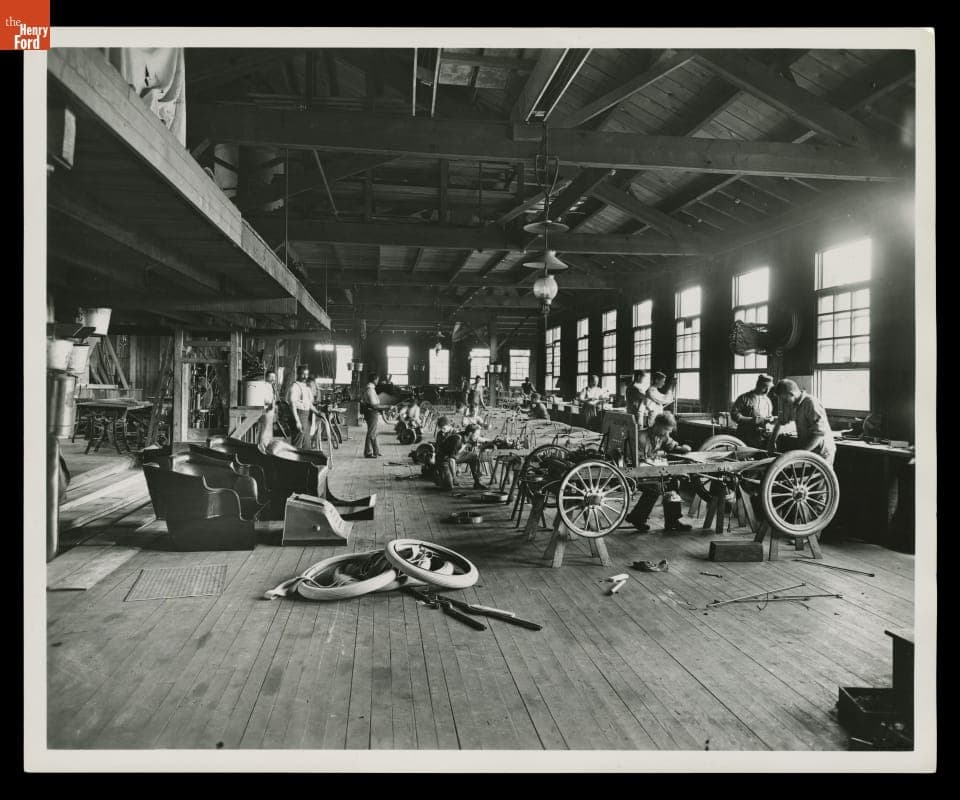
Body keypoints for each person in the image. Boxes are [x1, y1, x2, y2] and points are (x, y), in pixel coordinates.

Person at [624, 412, 694, 533]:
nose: (668, 433)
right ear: (657, 425)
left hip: (650, 470)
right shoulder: (640, 437)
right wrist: (654, 459)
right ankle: (638, 518)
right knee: (656, 488)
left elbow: (672, 446)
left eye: (669, 430)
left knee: (673, 483)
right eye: (666, 429)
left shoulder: (662, 436)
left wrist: (684, 448)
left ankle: (672, 521)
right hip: (635, 471)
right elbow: (635, 461)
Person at [767, 379, 836, 464]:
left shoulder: (811, 403)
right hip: (807, 449)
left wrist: (800, 454)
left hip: (821, 450)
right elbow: (780, 422)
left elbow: (819, 434)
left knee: (821, 476)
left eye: (785, 400)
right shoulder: (790, 403)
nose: (784, 402)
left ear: (792, 394)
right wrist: (772, 441)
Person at [730, 374, 776, 448]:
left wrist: (771, 419)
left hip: (761, 437)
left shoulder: (767, 401)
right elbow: (734, 414)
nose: (768, 390)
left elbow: (768, 416)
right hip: (746, 436)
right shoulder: (744, 398)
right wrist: (752, 420)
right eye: (767, 388)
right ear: (761, 386)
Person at [285, 365, 316, 449]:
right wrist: (297, 421)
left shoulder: (305, 386)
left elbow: (309, 403)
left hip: (306, 415)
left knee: (306, 442)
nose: (305, 377)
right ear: (298, 374)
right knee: (297, 443)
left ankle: (305, 460)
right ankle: (294, 461)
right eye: (303, 374)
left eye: (306, 374)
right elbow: (292, 404)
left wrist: (318, 412)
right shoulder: (295, 386)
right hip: (299, 414)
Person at [359, 371, 387, 458]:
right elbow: (373, 404)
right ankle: (368, 452)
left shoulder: (371, 388)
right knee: (371, 433)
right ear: (374, 379)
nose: (378, 381)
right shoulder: (370, 389)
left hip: (371, 412)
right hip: (371, 412)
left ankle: (376, 451)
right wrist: (383, 408)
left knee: (374, 432)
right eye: (377, 379)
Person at [258, 369, 279, 448]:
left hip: (271, 410)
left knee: (269, 429)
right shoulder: (264, 385)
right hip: (266, 409)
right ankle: (262, 446)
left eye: (274, 377)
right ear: (266, 377)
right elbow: (264, 398)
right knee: (265, 428)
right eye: (271, 377)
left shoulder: (271, 386)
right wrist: (270, 402)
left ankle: (267, 445)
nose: (273, 379)